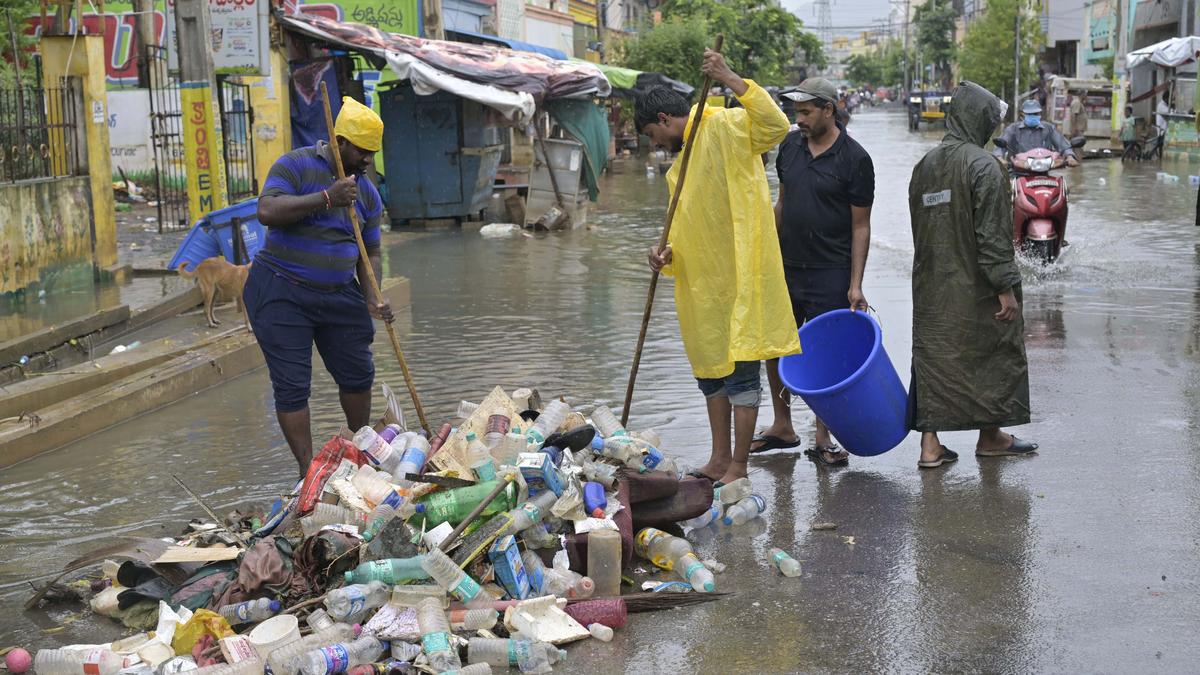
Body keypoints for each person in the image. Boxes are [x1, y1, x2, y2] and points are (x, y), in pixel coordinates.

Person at [638, 50, 799, 486]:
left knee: (743, 380)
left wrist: (729, 76)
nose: (654, 144)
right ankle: (718, 459)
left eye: (653, 134)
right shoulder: (680, 167)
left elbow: (777, 125)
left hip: (739, 281)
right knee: (711, 378)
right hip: (702, 292)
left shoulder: (726, 126)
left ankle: (739, 468)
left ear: (668, 118)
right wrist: (664, 253)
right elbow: (689, 227)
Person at [245, 96, 393, 477]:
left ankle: (360, 448)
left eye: (372, 154)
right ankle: (306, 471)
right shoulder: (295, 166)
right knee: (293, 385)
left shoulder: (367, 194)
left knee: (359, 372)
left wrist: (373, 296)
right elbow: (267, 212)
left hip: (338, 293)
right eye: (361, 152)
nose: (367, 162)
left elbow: (369, 252)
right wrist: (327, 198)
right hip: (281, 290)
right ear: (339, 142)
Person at [907, 81, 1038, 469]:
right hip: (979, 285)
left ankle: (930, 446)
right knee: (997, 351)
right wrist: (1004, 288)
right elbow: (994, 237)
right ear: (978, 120)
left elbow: (921, 228)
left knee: (935, 360)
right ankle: (992, 436)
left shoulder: (924, 165)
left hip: (931, 286)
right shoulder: (985, 167)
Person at [751, 77, 874, 468]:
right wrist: (764, 257)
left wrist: (855, 284)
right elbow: (783, 204)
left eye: (805, 112)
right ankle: (782, 425)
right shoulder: (789, 147)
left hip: (831, 270)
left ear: (829, 110)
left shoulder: (855, 159)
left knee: (823, 355)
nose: (798, 119)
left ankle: (823, 435)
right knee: (777, 347)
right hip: (786, 267)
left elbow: (860, 226)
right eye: (795, 112)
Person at [995, 99, 1079, 166]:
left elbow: (1062, 144)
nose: (1033, 116)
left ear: (1040, 114)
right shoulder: (1012, 129)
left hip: (1044, 170)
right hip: (1017, 171)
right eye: (1029, 114)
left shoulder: (1049, 128)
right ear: (1022, 114)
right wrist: (999, 158)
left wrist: (1069, 156)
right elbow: (1001, 146)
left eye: (1035, 113)